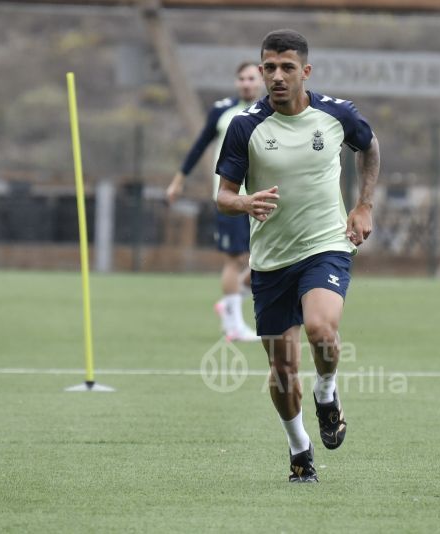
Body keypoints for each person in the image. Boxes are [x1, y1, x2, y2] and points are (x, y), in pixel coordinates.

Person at [215, 29, 381, 482]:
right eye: (269, 67)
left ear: (305, 71)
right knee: (283, 370)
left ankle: (327, 392)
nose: (277, 76)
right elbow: (223, 195)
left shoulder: (336, 114)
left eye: (287, 67)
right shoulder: (244, 126)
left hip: (326, 245)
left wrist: (364, 204)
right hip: (270, 260)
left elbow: (369, 146)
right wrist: (245, 202)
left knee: (321, 329)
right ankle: (299, 447)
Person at [166, 61, 264, 342]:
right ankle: (233, 324)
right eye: (242, 78)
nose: (247, 83)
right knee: (234, 259)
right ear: (237, 82)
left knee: (261, 259)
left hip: (261, 196)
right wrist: (179, 180)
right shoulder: (222, 111)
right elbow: (200, 145)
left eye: (251, 78)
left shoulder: (270, 111)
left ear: (260, 81)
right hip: (230, 197)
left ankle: (231, 303)